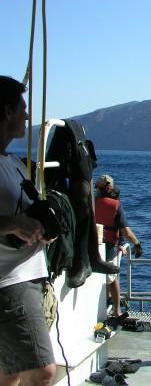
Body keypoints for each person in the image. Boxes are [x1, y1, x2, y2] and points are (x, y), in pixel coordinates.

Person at [0, 76, 56, 386]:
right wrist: (12, 224)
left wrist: (42, 228)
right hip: (9, 284)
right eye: (22, 108)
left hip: (28, 277)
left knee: (9, 372)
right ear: (6, 111)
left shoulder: (15, 164)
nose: (26, 115)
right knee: (42, 371)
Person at [94, 174, 143, 318]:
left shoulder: (90, 202)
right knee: (112, 277)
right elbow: (126, 231)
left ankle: (105, 305)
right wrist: (137, 244)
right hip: (108, 247)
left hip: (92, 246)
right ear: (110, 188)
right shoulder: (116, 205)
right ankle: (116, 311)